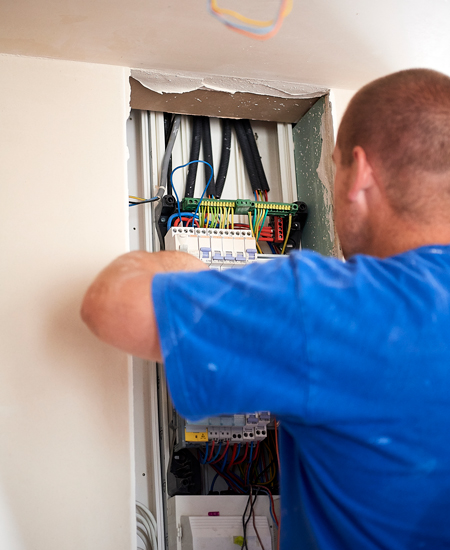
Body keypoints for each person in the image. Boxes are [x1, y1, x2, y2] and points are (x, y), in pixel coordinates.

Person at [81, 68, 450, 549]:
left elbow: (110, 304)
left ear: (358, 173)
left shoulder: (338, 309)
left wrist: (197, 271)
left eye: (333, 167)